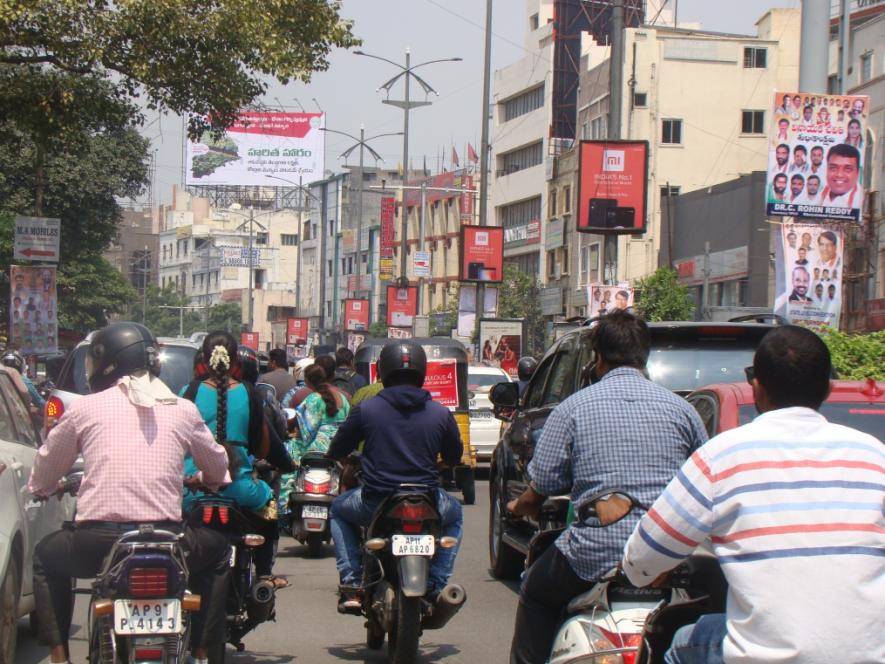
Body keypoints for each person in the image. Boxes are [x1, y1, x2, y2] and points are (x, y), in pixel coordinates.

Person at [622, 326, 884, 664]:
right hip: (869, 653)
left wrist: (641, 570)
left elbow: (643, 557)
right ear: (828, 388)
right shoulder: (873, 455)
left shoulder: (722, 457)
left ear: (756, 387)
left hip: (766, 657)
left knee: (682, 642)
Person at [507, 311, 707, 664]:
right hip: (668, 559)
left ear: (597, 358)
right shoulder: (683, 411)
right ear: (644, 356)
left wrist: (520, 506)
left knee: (535, 593)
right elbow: (702, 484)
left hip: (592, 555)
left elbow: (544, 484)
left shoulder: (572, 409)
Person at [27, 322, 231, 664]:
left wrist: (43, 488)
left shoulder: (85, 408)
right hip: (170, 540)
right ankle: (199, 653)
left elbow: (47, 465)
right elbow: (217, 465)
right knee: (221, 553)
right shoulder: (181, 408)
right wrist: (209, 479)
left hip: (99, 542)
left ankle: (60, 658)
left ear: (107, 362)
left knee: (46, 558)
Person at [327, 341, 464, 610]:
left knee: (339, 510)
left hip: (375, 502)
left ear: (384, 372)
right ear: (422, 372)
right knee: (455, 514)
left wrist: (346, 458)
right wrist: (439, 465)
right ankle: (436, 583)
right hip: (428, 501)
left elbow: (339, 448)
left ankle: (352, 582)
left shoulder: (367, 409)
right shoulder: (440, 413)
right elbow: (453, 457)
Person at [182, 332, 273, 515]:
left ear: (205, 362)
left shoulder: (188, 392)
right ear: (235, 363)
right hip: (241, 491)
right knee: (268, 498)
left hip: (191, 492)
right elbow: (262, 450)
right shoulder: (250, 394)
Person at [285, 364, 350, 465]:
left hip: (318, 449)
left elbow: (306, 431)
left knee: (289, 449)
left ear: (306, 380)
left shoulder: (313, 399)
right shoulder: (342, 397)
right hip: (340, 445)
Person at [820, 143, 861, 208]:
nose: (839, 174)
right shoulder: (819, 194)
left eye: (847, 169)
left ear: (857, 173)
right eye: (833, 168)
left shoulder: (861, 202)